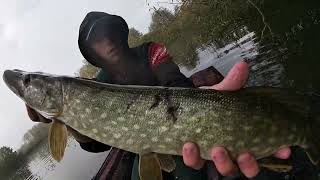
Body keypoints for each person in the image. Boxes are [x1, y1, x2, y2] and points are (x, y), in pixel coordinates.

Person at [25, 11, 313, 180]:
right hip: (142, 144)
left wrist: (208, 105)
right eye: (97, 42)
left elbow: (178, 85)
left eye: (107, 34)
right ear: (93, 52)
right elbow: (97, 143)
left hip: (182, 126)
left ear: (118, 33)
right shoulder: (101, 81)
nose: (106, 42)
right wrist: (73, 126)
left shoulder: (151, 51)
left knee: (191, 172)